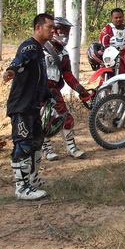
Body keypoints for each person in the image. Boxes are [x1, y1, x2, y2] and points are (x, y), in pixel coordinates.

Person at [3, 13, 54, 201]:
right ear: (38, 27)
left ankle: (32, 179)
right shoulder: (30, 46)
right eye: (49, 27)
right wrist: (11, 70)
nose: (53, 31)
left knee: (36, 141)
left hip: (33, 106)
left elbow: (38, 78)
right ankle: (22, 187)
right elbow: (20, 60)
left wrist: (48, 95)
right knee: (23, 144)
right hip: (21, 106)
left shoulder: (41, 50)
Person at [41, 17, 91, 162]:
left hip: (54, 91)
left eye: (66, 31)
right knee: (44, 119)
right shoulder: (40, 49)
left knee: (66, 118)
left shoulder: (64, 54)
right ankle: (46, 149)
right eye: (60, 30)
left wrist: (81, 90)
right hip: (39, 91)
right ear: (53, 30)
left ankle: (71, 148)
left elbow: (67, 75)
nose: (64, 34)